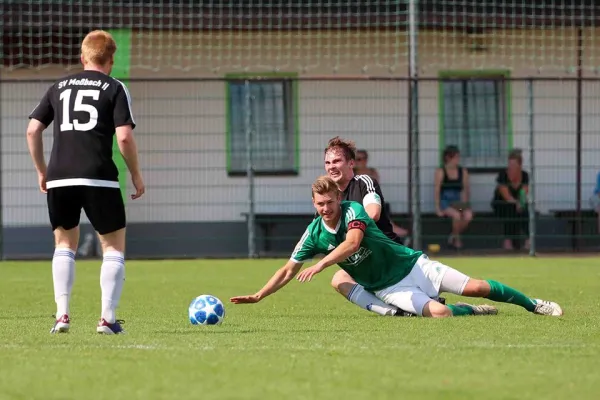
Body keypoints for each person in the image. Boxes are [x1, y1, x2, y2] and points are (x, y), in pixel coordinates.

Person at [230, 176, 563, 319]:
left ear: (338, 198)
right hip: (389, 287)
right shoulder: (313, 232)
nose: (325, 208)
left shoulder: (353, 210)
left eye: (329, 202)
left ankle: (534, 304)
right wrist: (260, 294)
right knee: (442, 313)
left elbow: (353, 242)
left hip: (413, 265)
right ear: (313, 203)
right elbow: (288, 269)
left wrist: (322, 264)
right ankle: (470, 311)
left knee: (476, 286)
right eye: (319, 204)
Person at [26, 30, 145, 334]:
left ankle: (62, 316)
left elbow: (32, 130)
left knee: (64, 244)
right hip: (99, 177)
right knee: (113, 247)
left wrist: (42, 170)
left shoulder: (59, 86)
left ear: (82, 57)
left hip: (59, 177)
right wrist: (135, 174)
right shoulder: (115, 87)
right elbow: (124, 136)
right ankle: (107, 319)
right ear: (111, 60)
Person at [323, 137, 431, 318]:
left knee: (460, 295)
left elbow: (373, 214)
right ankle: (396, 312)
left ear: (351, 163)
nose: (331, 166)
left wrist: (350, 234)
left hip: (390, 256)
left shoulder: (363, 182)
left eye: (336, 161)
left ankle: (466, 307)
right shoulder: (329, 197)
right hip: (364, 260)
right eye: (327, 162)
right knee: (339, 279)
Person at [354, 148, 409, 239]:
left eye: (359, 159)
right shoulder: (351, 173)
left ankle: (392, 229)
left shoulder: (372, 172)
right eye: (355, 159)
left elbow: (375, 189)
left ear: (365, 160)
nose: (357, 162)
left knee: (380, 206)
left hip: (370, 200)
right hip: (357, 201)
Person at [434, 145, 473, 249]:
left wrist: (465, 205)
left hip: (457, 202)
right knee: (456, 216)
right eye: (455, 157)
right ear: (448, 158)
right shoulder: (441, 171)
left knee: (468, 215)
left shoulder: (462, 171)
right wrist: (438, 208)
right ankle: (457, 239)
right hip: (445, 202)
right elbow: (437, 190)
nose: (457, 160)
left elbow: (465, 189)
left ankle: (453, 235)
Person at [491, 149, 530, 251]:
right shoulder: (503, 175)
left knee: (525, 210)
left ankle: (528, 240)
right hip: (501, 204)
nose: (511, 167)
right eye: (509, 164)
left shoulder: (525, 175)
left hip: (516, 204)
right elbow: (506, 196)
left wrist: (520, 203)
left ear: (520, 165)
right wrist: (516, 203)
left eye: (514, 165)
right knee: (510, 208)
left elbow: (523, 192)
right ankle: (507, 241)